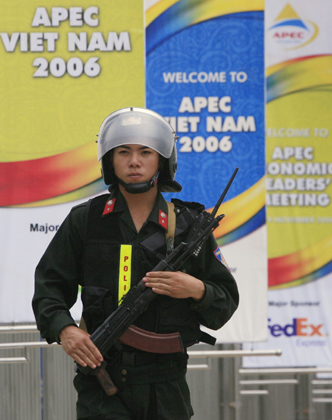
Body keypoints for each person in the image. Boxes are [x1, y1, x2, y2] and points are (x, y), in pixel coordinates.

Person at [32, 107, 239, 420]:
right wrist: (65, 330)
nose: (134, 161)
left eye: (146, 152)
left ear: (162, 161)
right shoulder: (85, 221)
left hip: (166, 387)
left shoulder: (187, 226)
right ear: (109, 161)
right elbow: (50, 286)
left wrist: (195, 289)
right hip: (101, 384)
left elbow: (225, 301)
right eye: (123, 152)